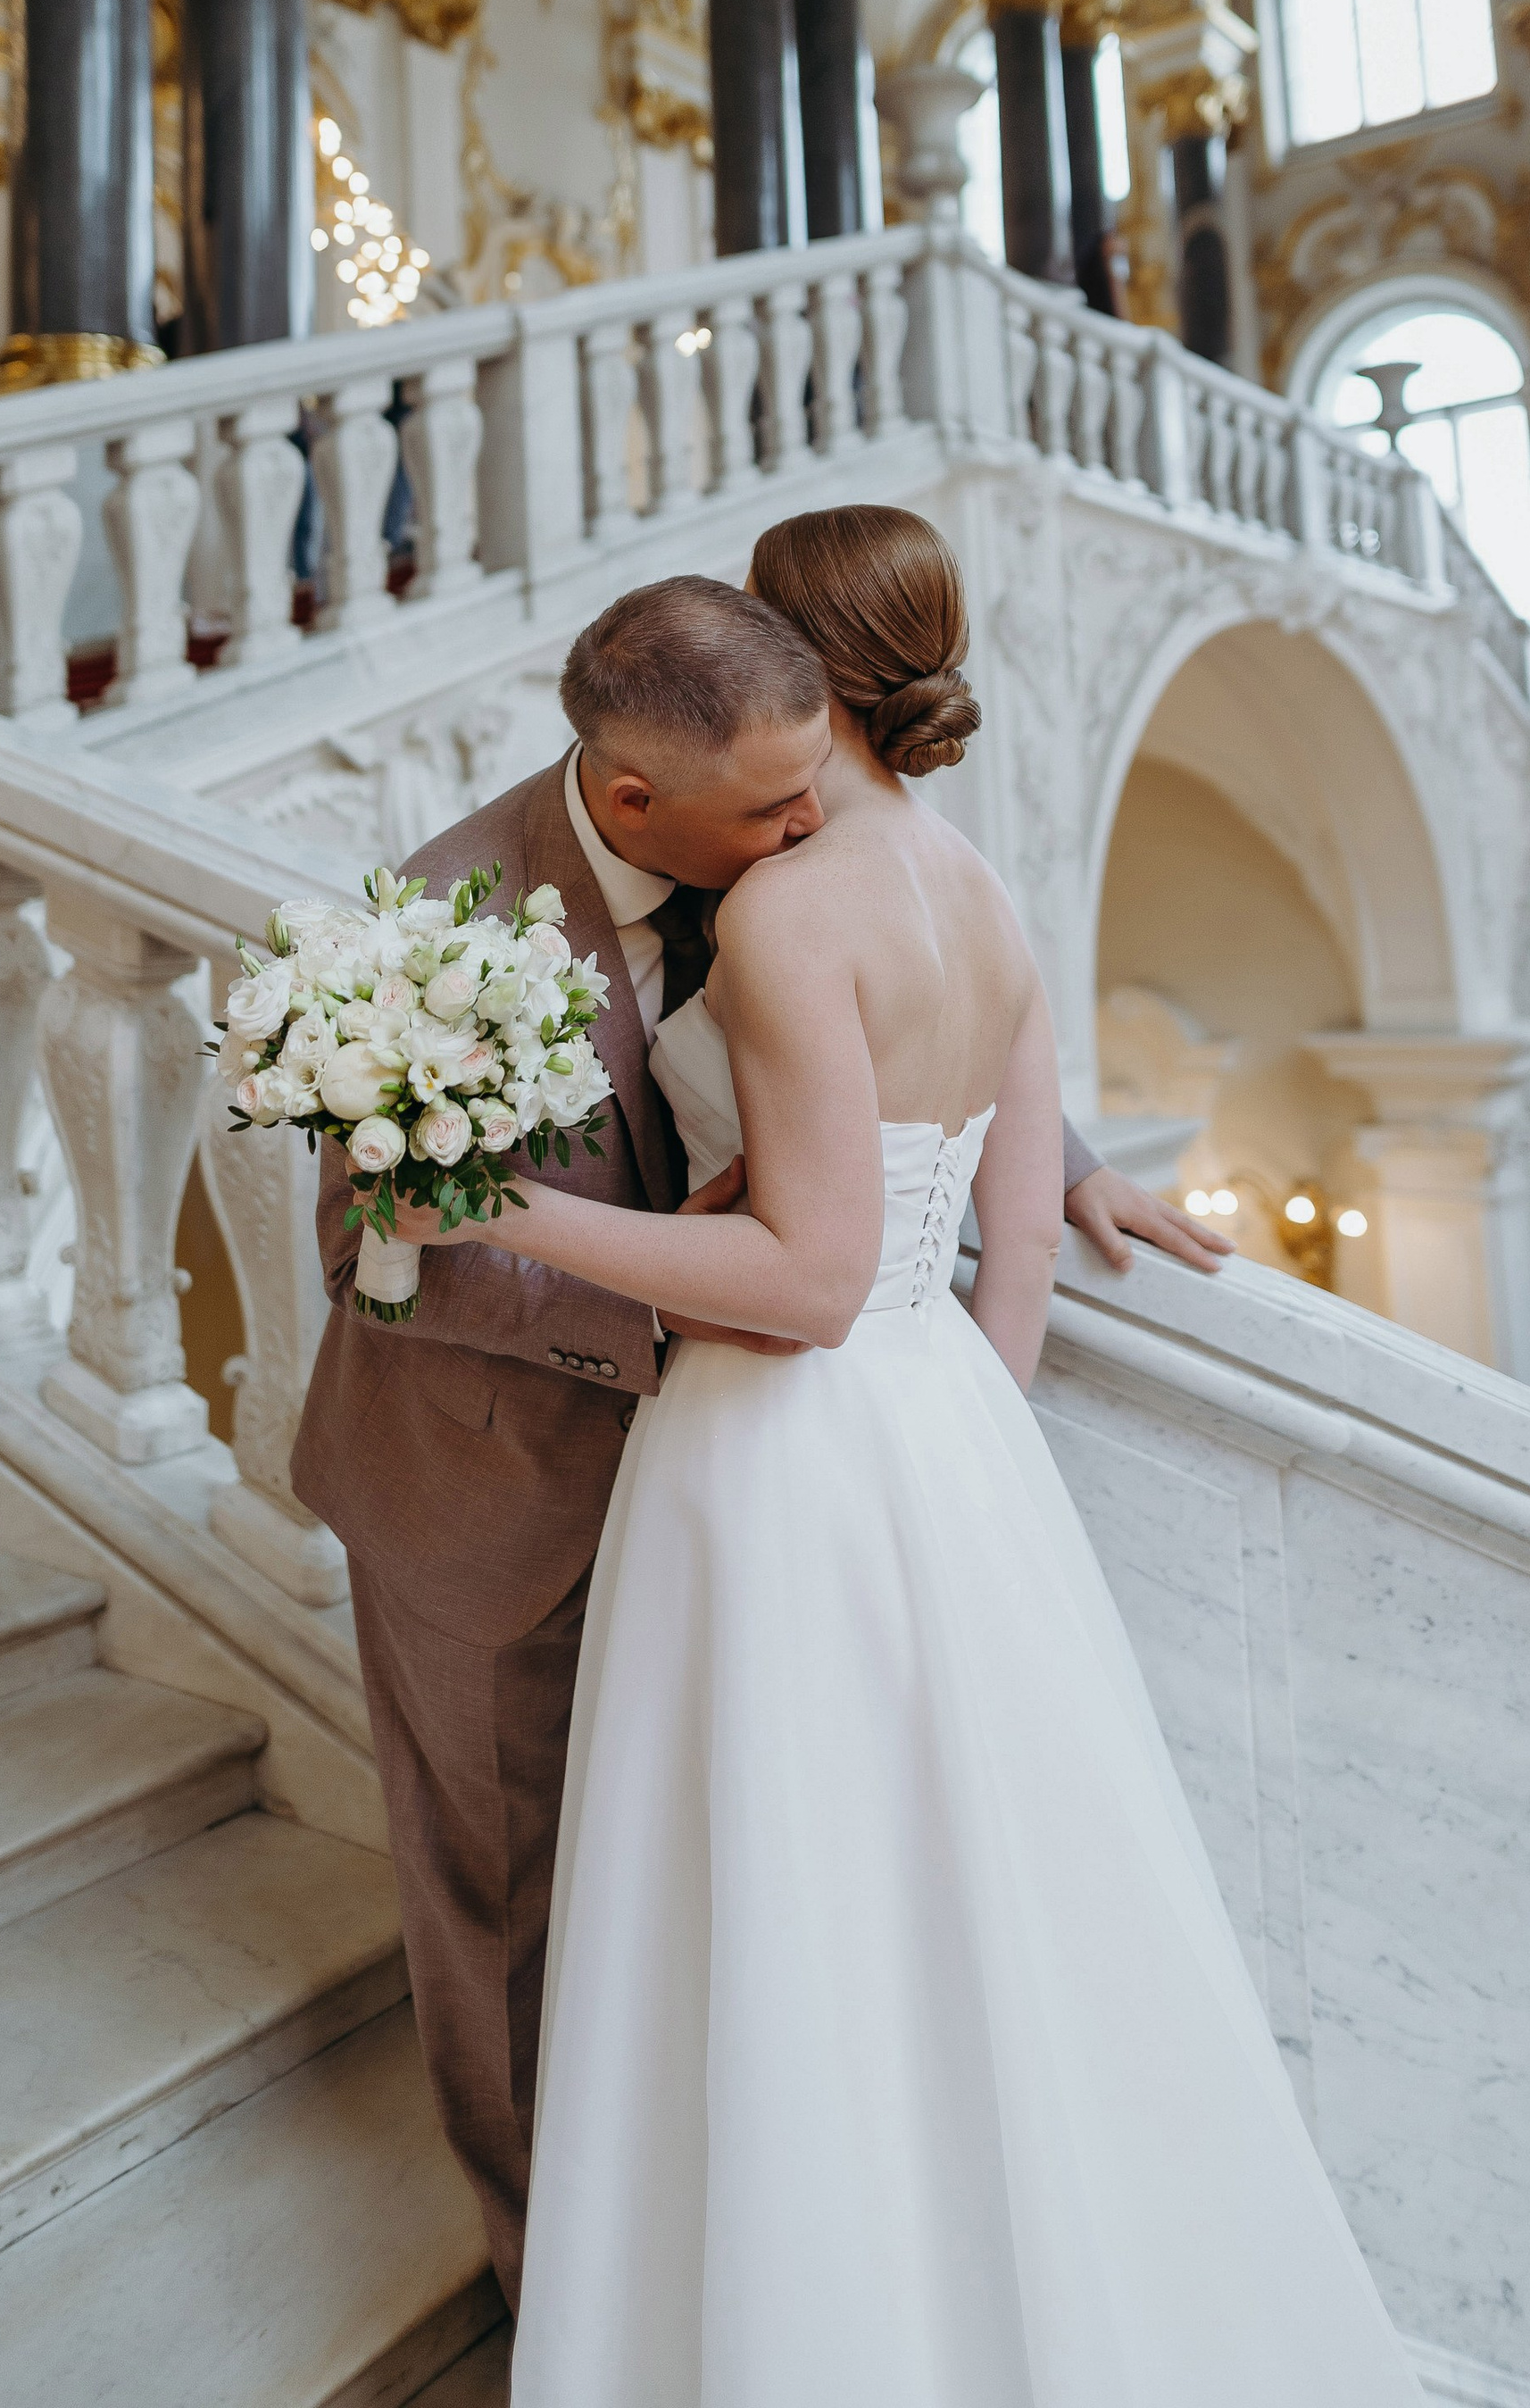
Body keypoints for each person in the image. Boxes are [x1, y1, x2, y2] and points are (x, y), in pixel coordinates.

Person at [381, 506, 1422, 2404]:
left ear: (791, 670)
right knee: (972, 1920)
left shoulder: (782, 904)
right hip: (941, 1437)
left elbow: (805, 1269)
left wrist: (497, 1206)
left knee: (769, 1914)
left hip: (770, 1447)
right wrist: (950, 1442)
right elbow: (996, 1246)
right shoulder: (976, 889)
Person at [288, 569, 1223, 2312]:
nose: (821, 821)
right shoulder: (436, 928)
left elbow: (879, 1023)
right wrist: (675, 1309)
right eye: (777, 805)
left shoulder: (774, 863)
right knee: (508, 1924)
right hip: (486, 1493)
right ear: (635, 803)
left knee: (724, 1909)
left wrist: (1059, 1156)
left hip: (731, 1485)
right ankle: (544, 2288)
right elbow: (376, 1260)